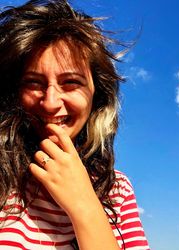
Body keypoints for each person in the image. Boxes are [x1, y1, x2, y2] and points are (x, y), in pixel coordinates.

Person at [0, 0, 149, 249]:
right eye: (33, 83)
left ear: (97, 95)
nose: (50, 103)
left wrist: (83, 204)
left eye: (70, 82)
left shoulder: (117, 189)